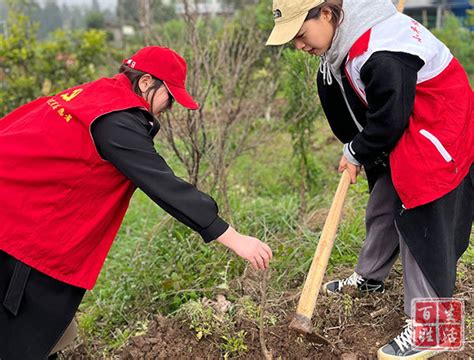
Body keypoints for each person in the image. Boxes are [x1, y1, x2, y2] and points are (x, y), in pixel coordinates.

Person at [0, 46, 273, 359]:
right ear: (146, 83)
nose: (165, 110)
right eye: (168, 99)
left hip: (17, 217)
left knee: (42, 332)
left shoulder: (95, 95)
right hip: (19, 232)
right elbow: (162, 183)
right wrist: (233, 237)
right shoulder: (116, 118)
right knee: (23, 336)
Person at [266, 0, 473, 359]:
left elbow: (390, 116)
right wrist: (359, 149)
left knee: (422, 220)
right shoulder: (346, 40)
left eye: (300, 34)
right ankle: (370, 278)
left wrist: (357, 150)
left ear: (326, 15)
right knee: (383, 199)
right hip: (410, 123)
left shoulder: (382, 50)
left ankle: (434, 329)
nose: (298, 45)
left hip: (439, 128)